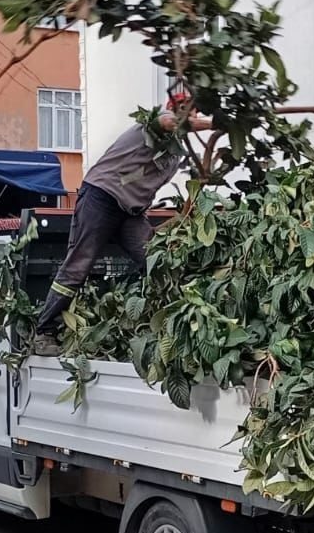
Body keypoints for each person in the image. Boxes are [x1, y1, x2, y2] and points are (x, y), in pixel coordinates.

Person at [33, 95, 213, 356]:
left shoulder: (174, 156)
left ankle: (162, 325)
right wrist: (215, 124)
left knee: (155, 260)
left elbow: (142, 179)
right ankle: (44, 331)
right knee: (79, 265)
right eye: (193, 115)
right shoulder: (151, 126)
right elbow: (168, 122)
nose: (195, 120)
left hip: (130, 211)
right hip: (101, 196)